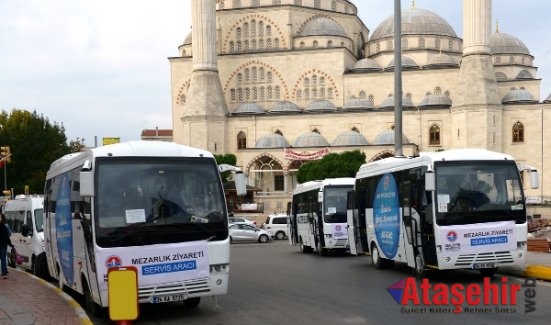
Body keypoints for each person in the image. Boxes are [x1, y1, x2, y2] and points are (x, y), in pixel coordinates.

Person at [0, 213, 14, 279]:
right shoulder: (4, 226)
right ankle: (4, 272)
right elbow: (7, 236)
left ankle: (4, 271)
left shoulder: (3, 226)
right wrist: (10, 244)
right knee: (3, 258)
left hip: (2, 244)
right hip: (3, 245)